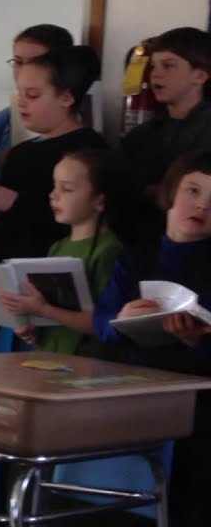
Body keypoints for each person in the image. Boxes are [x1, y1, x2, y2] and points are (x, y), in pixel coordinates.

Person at [93, 152, 211, 527]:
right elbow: (102, 323)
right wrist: (122, 320)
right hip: (133, 390)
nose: (202, 205)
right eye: (193, 190)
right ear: (171, 194)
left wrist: (196, 342)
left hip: (196, 403)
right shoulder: (135, 258)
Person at [0, 46, 107, 258]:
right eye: (20, 92)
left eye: (33, 95)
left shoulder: (88, 151)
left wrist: (16, 203)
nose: (21, 101)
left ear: (65, 98)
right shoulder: (21, 153)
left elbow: (83, 220)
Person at [0, 149, 130, 357]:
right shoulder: (58, 247)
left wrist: (43, 310)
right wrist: (31, 324)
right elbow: (49, 309)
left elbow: (104, 322)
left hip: (86, 363)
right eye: (54, 186)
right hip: (48, 356)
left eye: (66, 189)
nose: (53, 195)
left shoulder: (109, 250)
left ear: (100, 201)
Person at [120, 27, 211, 203]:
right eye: (153, 66)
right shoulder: (141, 134)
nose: (155, 73)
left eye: (168, 65)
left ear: (199, 76)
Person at [0, 24, 74, 181]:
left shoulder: (74, 118)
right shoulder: (1, 121)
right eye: (18, 62)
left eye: (35, 62)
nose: (24, 70)